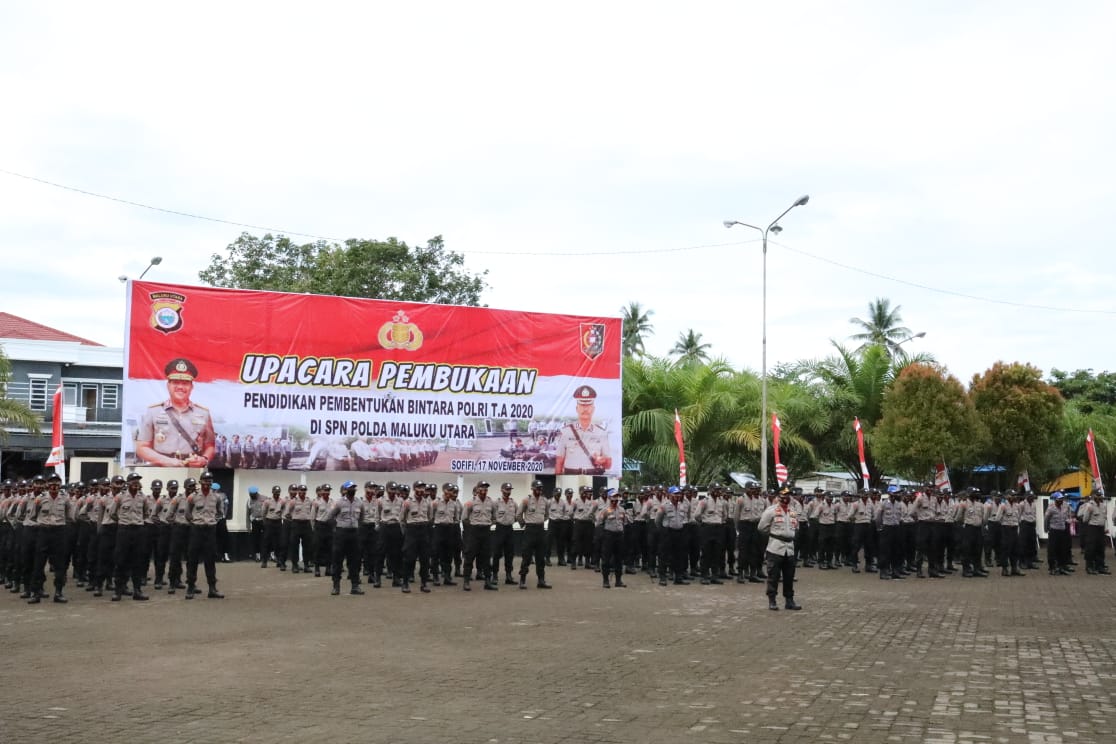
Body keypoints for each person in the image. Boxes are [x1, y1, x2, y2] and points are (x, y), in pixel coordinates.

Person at [135, 358, 216, 468]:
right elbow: (142, 447)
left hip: (192, 469)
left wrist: (204, 459)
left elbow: (210, 446)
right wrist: (165, 460)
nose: (180, 387)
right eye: (176, 383)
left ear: (192, 387)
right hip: (161, 468)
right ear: (168, 385)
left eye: (185, 383)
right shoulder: (153, 411)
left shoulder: (204, 413)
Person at [26, 473, 74, 604]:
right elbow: (33, 515)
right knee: (38, 564)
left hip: (59, 533)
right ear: (47, 484)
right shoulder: (40, 499)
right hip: (43, 532)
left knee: (60, 565)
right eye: (52, 482)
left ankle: (58, 593)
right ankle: (36, 593)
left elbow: (70, 516)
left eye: (57, 483)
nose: (54, 485)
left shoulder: (65, 499)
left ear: (60, 484)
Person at [108, 472, 151, 601]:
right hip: (124, 531)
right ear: (128, 483)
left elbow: (146, 513)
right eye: (133, 480)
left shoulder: (143, 498)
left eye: (137, 481)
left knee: (137, 561)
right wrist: (123, 521)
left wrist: (137, 522)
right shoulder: (120, 497)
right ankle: (118, 590)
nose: (135, 483)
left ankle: (137, 590)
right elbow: (112, 513)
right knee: (121, 561)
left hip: (138, 531)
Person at [758, 488, 802, 611]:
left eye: (788, 495)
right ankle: (772, 600)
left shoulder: (792, 511)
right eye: (784, 495)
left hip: (790, 548)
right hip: (775, 547)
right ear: (778, 496)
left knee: (789, 576)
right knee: (774, 576)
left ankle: (789, 600)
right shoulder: (771, 511)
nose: (786, 498)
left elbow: (796, 527)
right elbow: (762, 527)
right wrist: (774, 535)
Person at [554, 385, 612, 475]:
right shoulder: (566, 432)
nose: (585, 409)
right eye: (582, 405)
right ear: (577, 409)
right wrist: (557, 482)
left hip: (593, 476)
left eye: (588, 405)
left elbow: (608, 464)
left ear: (593, 409)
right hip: (570, 477)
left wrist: (602, 461)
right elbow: (559, 461)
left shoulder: (601, 433)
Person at [183, 471, 224, 599]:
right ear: (200, 482)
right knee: (192, 559)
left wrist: (211, 521)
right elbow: (187, 514)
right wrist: (196, 522)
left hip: (210, 530)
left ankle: (212, 588)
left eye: (209, 481)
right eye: (205, 481)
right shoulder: (192, 497)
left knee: (210, 560)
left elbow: (220, 513)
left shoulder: (217, 497)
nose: (207, 483)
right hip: (197, 530)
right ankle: (190, 587)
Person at [329, 481, 366, 596]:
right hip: (341, 534)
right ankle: (336, 586)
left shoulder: (359, 502)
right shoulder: (339, 503)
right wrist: (336, 529)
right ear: (345, 490)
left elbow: (362, 518)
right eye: (350, 488)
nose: (353, 490)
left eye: (354, 487)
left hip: (354, 534)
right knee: (337, 560)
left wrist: (356, 528)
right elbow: (330, 517)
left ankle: (355, 586)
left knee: (355, 560)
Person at [517, 480, 552, 589]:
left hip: (540, 530)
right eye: (537, 488)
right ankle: (522, 580)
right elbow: (518, 514)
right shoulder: (526, 500)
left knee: (540, 557)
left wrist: (540, 521)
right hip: (530, 530)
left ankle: (541, 580)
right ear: (532, 489)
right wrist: (524, 523)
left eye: (541, 488)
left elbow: (546, 515)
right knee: (526, 557)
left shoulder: (545, 501)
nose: (539, 490)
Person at [400, 481, 434, 593]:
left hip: (423, 530)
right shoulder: (407, 503)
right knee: (409, 559)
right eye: (419, 487)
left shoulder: (428, 503)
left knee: (425, 559)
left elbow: (430, 517)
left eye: (423, 488)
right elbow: (402, 519)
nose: (421, 490)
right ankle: (405, 583)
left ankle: (424, 584)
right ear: (414, 488)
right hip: (411, 531)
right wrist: (407, 532)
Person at [461, 481, 496, 591]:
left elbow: (494, 517)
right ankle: (466, 581)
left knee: (486, 557)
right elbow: (464, 518)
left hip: (486, 531)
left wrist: (488, 523)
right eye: (482, 488)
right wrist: (472, 527)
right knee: (469, 556)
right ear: (477, 489)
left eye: (486, 489)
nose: (484, 491)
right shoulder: (470, 503)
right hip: (474, 532)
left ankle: (487, 581)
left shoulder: (491, 502)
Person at [597, 489, 629, 588]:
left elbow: (625, 522)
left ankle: (618, 580)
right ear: (610, 498)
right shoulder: (605, 510)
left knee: (619, 559)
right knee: (606, 559)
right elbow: (599, 523)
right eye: (614, 497)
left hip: (619, 536)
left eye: (617, 497)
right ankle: (605, 580)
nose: (615, 499)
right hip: (608, 536)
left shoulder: (622, 510)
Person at [490, 483, 518, 586]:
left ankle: (509, 576)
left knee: (509, 554)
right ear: (502, 490)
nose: (508, 491)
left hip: (509, 529)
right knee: (497, 554)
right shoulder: (496, 503)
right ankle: (494, 576)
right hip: (499, 529)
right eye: (507, 489)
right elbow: (492, 515)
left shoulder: (513, 503)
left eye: (510, 489)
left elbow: (516, 515)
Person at [1078, 492, 1111, 575]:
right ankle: (1089, 567)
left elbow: (1105, 518)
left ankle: (1100, 566)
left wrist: (1105, 529)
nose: (1100, 498)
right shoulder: (1089, 506)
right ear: (1094, 497)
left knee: (1100, 548)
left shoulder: (1103, 506)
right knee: (1091, 548)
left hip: (1101, 529)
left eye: (1100, 496)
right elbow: (1085, 519)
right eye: (1098, 496)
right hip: (1092, 528)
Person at [286, 483, 314, 573]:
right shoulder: (293, 501)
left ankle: (306, 565)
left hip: (306, 525)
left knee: (307, 546)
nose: (302, 492)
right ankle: (295, 565)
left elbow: (312, 511)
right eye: (301, 491)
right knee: (295, 546)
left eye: (304, 491)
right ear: (298, 491)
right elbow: (287, 513)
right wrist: (294, 519)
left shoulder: (309, 501)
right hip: (296, 524)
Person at [261, 485, 287, 569]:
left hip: (278, 523)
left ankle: (279, 560)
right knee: (266, 542)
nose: (277, 494)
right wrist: (265, 523)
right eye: (275, 493)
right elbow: (263, 513)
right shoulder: (267, 501)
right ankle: (264, 561)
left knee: (279, 543)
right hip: (269, 522)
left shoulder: (282, 501)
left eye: (278, 493)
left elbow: (284, 511)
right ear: (272, 493)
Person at [246, 486, 264, 561]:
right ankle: (257, 555)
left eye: (253, 494)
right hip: (255, 521)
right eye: (250, 494)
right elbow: (247, 514)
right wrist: (248, 526)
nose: (251, 495)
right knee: (256, 539)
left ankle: (270, 554)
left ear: (256, 493)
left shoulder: (264, 499)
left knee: (266, 538)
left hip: (263, 521)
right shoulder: (249, 500)